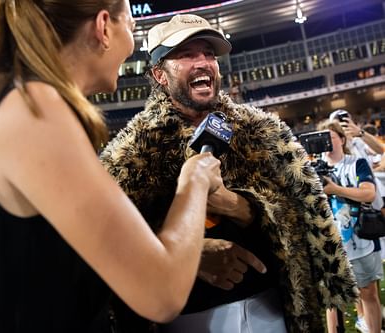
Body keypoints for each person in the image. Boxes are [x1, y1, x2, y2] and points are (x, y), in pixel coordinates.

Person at [0, 1, 222, 332]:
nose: (131, 44)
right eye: (130, 25)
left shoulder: (7, 105)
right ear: (103, 27)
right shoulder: (33, 110)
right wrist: (195, 178)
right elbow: (162, 292)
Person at [100, 13, 357, 332]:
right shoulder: (132, 152)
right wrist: (187, 256)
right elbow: (109, 246)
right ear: (160, 74)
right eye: (186, 54)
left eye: (208, 53)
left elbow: (306, 223)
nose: (203, 62)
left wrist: (237, 205)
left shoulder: (264, 132)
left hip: (273, 310)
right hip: (187, 321)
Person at [318, 120, 383, 333]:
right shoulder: (310, 169)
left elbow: (369, 193)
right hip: (328, 243)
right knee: (333, 300)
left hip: (360, 239)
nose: (325, 143)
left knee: (368, 292)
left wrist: (335, 189)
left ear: (342, 139)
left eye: (330, 137)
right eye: (321, 138)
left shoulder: (356, 163)